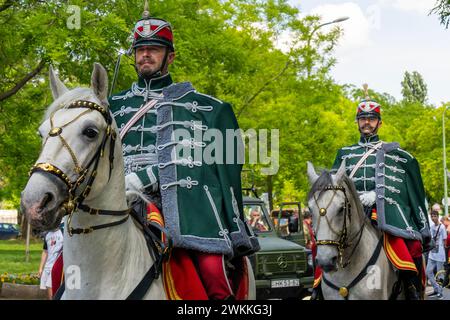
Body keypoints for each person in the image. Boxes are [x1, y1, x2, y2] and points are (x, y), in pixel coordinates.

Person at [108, 3, 259, 300]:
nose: (145, 55)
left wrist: (146, 177)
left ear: (170, 56)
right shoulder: (112, 105)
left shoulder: (206, 109)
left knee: (213, 270)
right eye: (140, 50)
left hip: (178, 205)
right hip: (114, 199)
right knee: (65, 259)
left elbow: (213, 164)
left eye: (154, 48)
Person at [311, 84, 432, 300]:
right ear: (357, 122)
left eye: (371, 118)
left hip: (380, 213)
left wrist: (379, 195)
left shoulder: (394, 153)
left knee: (408, 246)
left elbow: (402, 187)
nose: (367, 122)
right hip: (349, 212)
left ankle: (412, 288)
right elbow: (333, 185)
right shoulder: (345, 153)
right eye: (363, 118)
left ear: (379, 122)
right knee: (323, 242)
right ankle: (317, 289)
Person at [38, 227, 63, 300]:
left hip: (56, 265)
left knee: (50, 286)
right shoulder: (47, 234)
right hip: (47, 266)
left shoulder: (62, 232)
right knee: (47, 289)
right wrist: (40, 268)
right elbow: (45, 251)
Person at [426, 211, 447, 299]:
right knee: (428, 272)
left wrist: (444, 252)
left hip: (440, 254)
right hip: (432, 253)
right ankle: (436, 289)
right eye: (432, 216)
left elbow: (445, 240)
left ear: (438, 217)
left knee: (440, 274)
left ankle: (440, 293)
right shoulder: (431, 227)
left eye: (434, 216)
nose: (433, 217)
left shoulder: (442, 227)